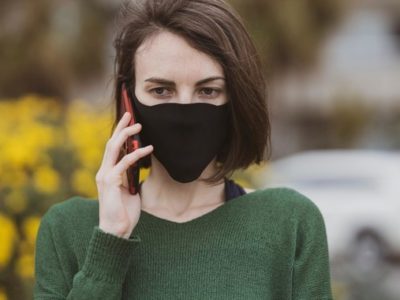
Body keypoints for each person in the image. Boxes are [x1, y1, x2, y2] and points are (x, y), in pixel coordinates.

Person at [34, 0, 333, 299]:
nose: (185, 110)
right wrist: (111, 241)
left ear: (235, 101)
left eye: (208, 90)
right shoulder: (68, 229)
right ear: (128, 100)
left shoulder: (288, 223)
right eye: (161, 90)